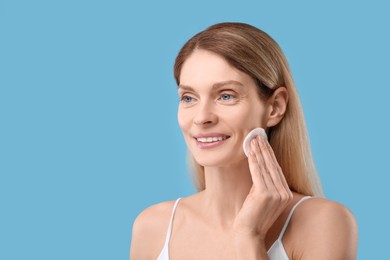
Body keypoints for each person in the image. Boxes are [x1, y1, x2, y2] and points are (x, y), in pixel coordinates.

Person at [130, 22, 358, 260]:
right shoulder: (152, 227)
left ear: (275, 107)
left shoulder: (324, 223)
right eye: (189, 98)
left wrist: (249, 236)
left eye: (226, 95)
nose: (201, 117)